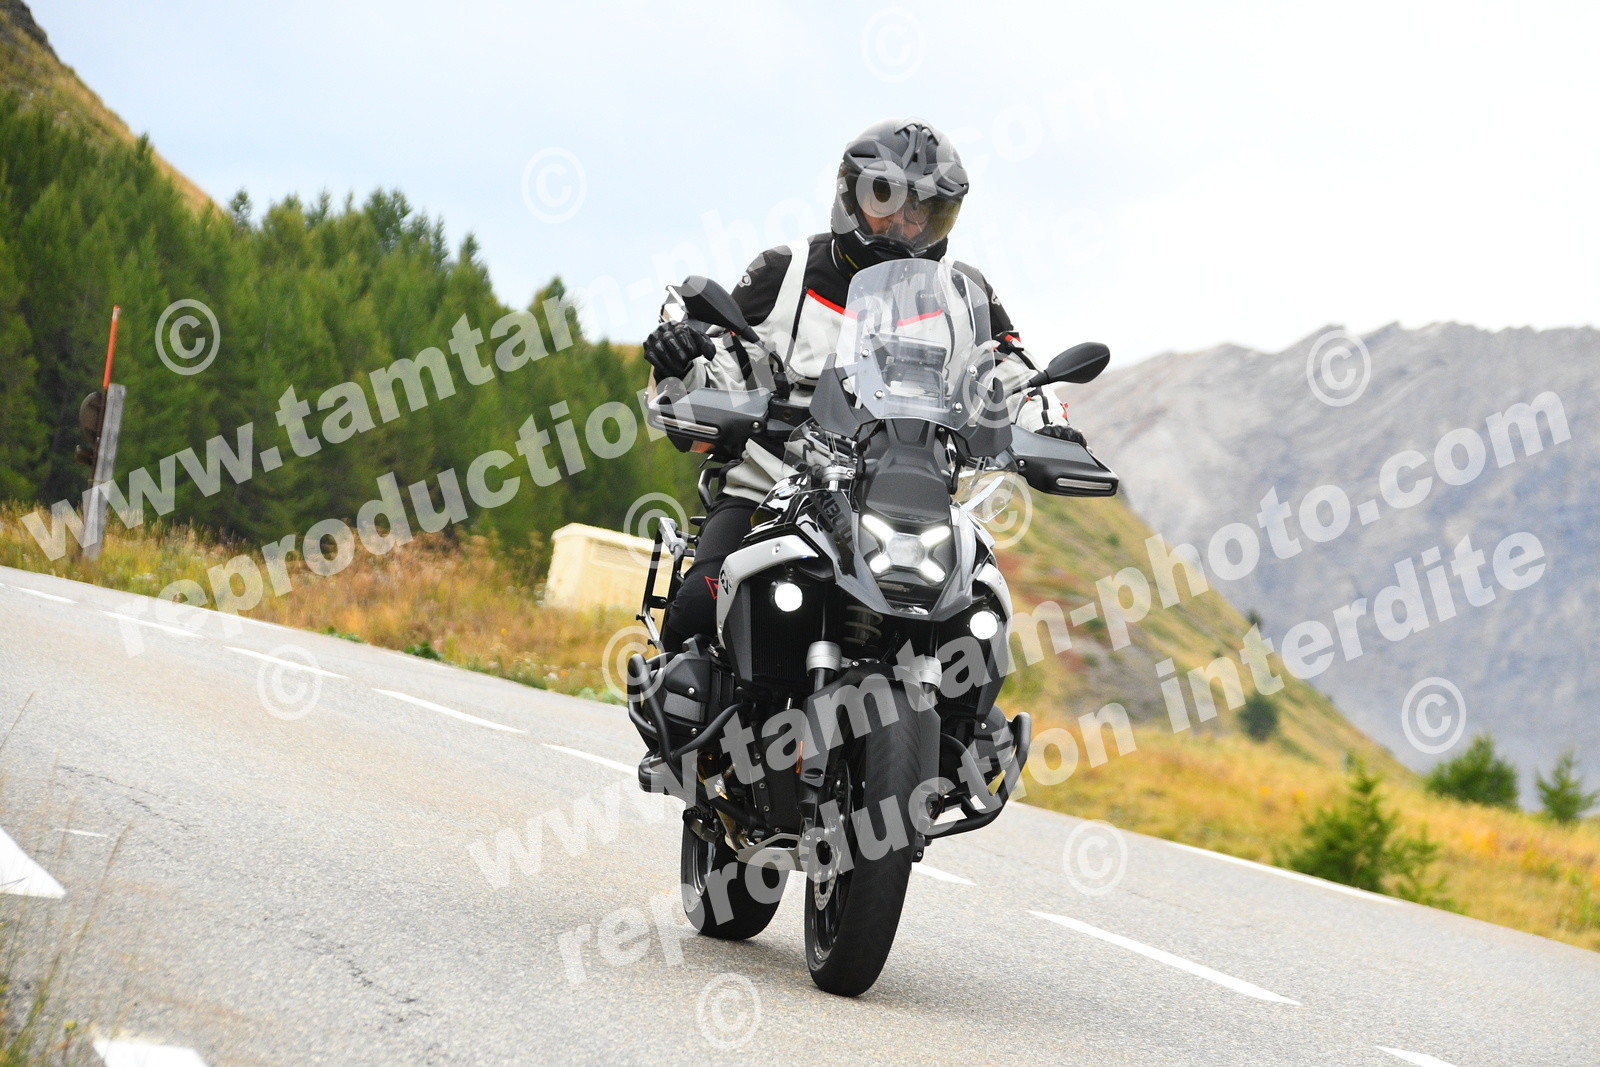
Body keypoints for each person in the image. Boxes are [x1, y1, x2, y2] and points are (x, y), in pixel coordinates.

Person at [643, 118, 1090, 652]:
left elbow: (1014, 374)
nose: (902, 220)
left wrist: (1049, 427)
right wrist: (681, 360)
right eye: (885, 196)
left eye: (922, 209)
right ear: (849, 195)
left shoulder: (966, 294)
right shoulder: (786, 271)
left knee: (975, 627)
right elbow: (729, 361)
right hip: (775, 490)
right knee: (700, 605)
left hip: (910, 503)